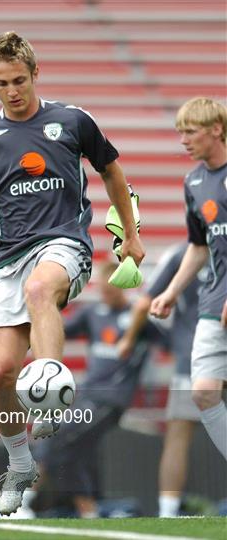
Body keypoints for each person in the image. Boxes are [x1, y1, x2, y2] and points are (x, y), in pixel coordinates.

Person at [0, 31, 145, 516]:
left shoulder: (73, 120)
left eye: (19, 80)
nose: (12, 90)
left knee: (42, 287)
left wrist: (132, 234)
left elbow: (113, 172)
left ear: (35, 73)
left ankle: (51, 391)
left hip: (65, 243)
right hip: (8, 259)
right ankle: (20, 465)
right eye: (1, 83)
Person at [30, 261, 165, 519]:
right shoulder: (92, 313)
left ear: (122, 288)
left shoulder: (138, 318)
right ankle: (88, 511)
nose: (107, 295)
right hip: (87, 395)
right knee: (73, 449)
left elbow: (168, 339)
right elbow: (57, 329)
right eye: (103, 290)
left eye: (111, 290)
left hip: (111, 399)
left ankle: (23, 498)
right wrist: (44, 305)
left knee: (56, 436)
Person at [150, 97, 227, 462]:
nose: (183, 140)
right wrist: (170, 291)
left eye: (190, 132)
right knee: (204, 393)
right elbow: (198, 246)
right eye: (180, 132)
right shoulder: (194, 181)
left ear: (216, 129)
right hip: (213, 304)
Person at [118, 243, 203, 517]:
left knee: (178, 437)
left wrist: (128, 340)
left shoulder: (181, 254)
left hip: (194, 358)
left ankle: (168, 510)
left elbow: (145, 303)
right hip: (202, 354)